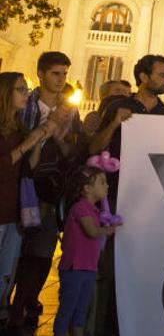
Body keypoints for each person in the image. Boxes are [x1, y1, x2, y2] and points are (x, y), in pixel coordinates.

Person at [88, 54, 164, 336]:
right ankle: (103, 326)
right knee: (109, 269)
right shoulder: (118, 106)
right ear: (143, 77)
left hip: (152, 205)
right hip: (115, 200)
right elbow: (94, 147)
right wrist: (114, 123)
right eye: (162, 75)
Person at [9, 52, 87, 335]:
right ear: (41, 74)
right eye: (56, 73)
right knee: (18, 249)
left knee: (42, 252)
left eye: (65, 74)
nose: (61, 79)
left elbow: (74, 150)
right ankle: (10, 303)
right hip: (22, 185)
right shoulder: (24, 104)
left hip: (51, 189)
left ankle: (26, 302)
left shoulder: (70, 110)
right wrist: (46, 126)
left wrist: (57, 134)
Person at [0, 73, 57, 320]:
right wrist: (28, 143)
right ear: (5, 94)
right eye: (20, 90)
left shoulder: (20, 128)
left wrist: (39, 139)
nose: (26, 94)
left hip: (14, 211)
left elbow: (27, 167)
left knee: (6, 271)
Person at [53, 165, 117, 336]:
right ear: (87, 188)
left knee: (81, 311)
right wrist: (110, 230)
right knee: (67, 309)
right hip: (74, 268)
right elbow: (92, 231)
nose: (107, 186)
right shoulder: (81, 208)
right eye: (102, 182)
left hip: (88, 268)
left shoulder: (95, 211)